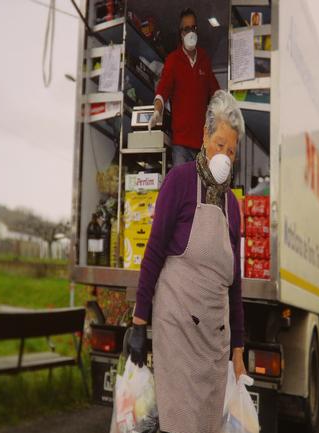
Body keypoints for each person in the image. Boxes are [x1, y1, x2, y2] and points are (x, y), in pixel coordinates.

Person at [130, 90, 246, 433]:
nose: (224, 155)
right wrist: (139, 322)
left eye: (231, 150)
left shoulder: (234, 208)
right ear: (204, 138)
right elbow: (153, 253)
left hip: (214, 342)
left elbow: (235, 285)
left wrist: (237, 350)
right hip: (177, 329)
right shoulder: (179, 182)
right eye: (220, 144)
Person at [148, 8, 220, 166]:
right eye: (186, 29)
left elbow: (216, 93)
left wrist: (226, 114)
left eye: (193, 28)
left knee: (201, 189)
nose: (190, 32)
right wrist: (157, 110)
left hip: (203, 143)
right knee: (182, 188)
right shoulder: (173, 60)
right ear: (180, 33)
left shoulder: (204, 59)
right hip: (180, 143)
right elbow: (163, 89)